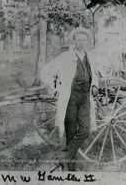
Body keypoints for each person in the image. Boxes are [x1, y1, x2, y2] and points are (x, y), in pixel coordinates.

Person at [40, 27, 99, 171]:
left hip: (85, 97)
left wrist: (95, 85)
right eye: (78, 40)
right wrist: (55, 89)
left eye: (83, 40)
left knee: (85, 130)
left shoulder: (90, 56)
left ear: (87, 41)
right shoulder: (65, 57)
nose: (81, 43)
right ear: (74, 41)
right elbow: (45, 72)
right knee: (71, 131)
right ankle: (71, 168)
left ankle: (62, 157)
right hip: (71, 98)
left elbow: (95, 74)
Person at [93, 0, 126, 76]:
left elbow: (123, 34)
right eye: (106, 7)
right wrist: (105, 39)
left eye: (110, 7)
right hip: (105, 42)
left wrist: (113, 36)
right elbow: (100, 34)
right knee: (99, 52)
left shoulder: (121, 19)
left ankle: (113, 75)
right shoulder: (102, 20)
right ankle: (103, 75)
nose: (108, 9)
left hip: (117, 42)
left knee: (114, 52)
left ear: (114, 7)